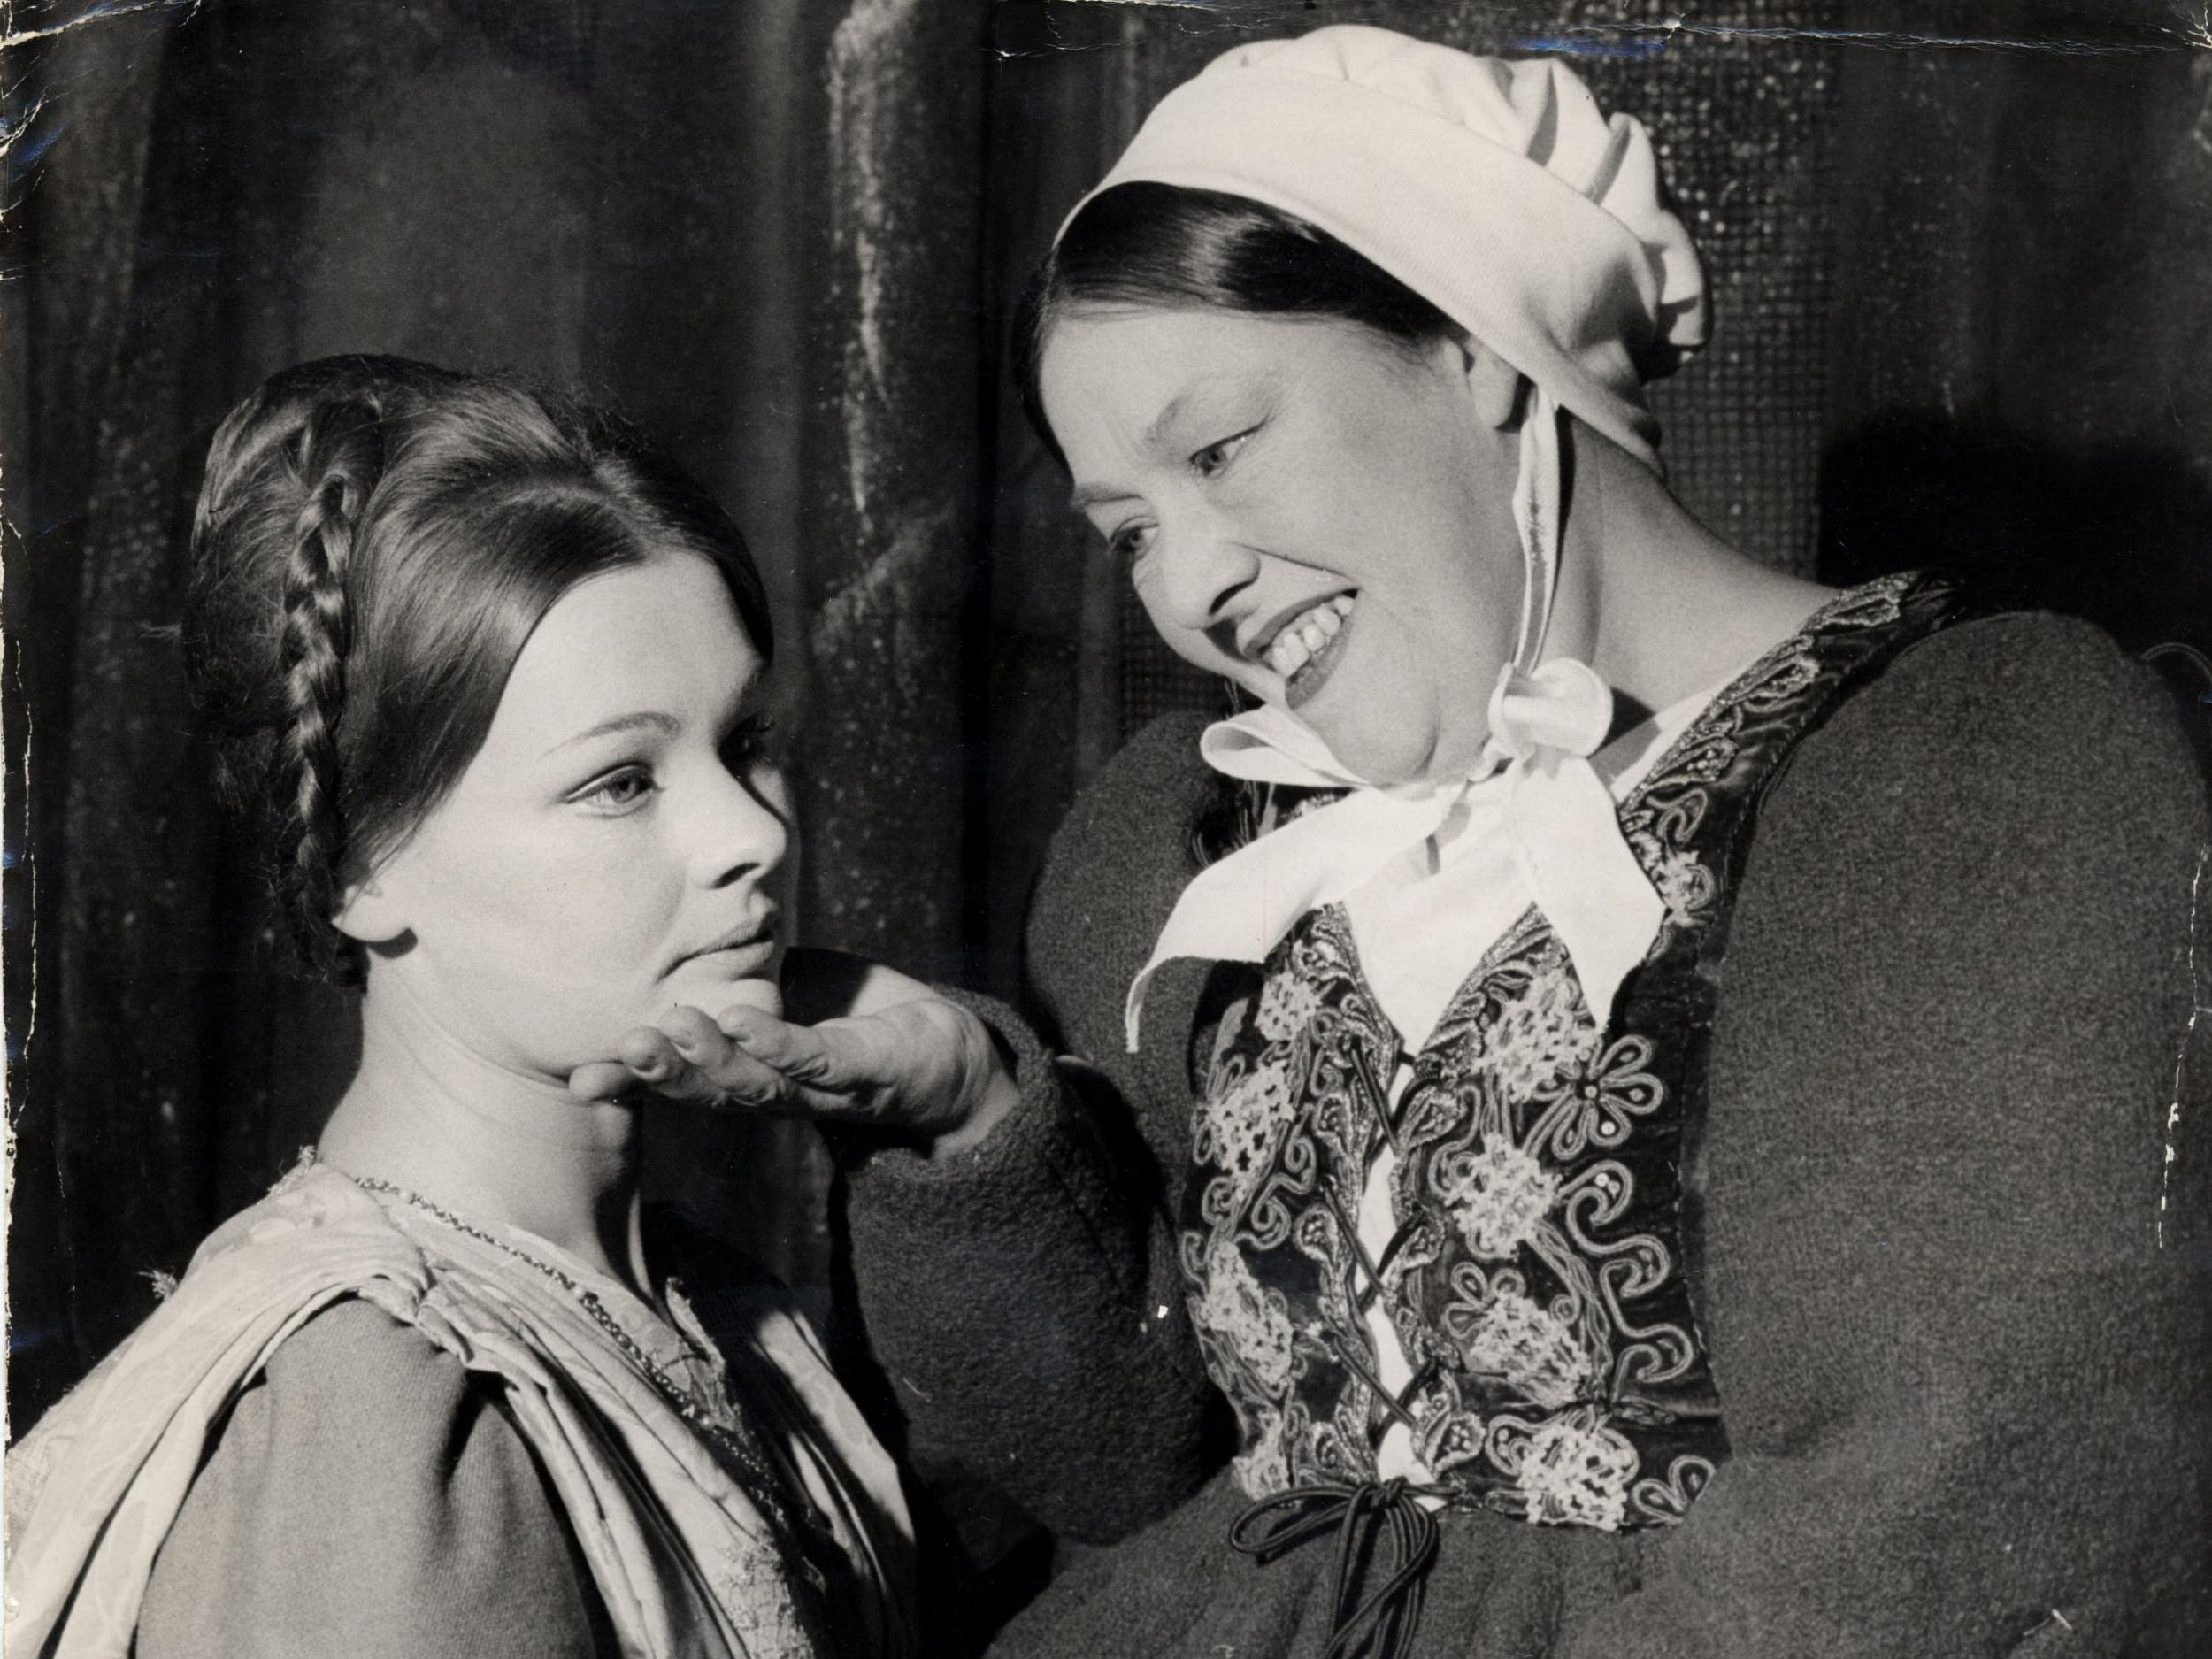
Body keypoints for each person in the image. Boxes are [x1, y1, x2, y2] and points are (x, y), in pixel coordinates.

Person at [612, 25, 2212, 1659]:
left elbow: (1971, 1533)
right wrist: (978, 1130)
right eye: (1130, 533)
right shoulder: (1186, 855)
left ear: (1477, 344)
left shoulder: (1977, 782)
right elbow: (1123, 1486)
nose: (1186, 588)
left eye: (1221, 450)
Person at [4, 356, 944, 1659]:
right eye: (621, 781)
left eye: (743, 745)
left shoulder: (690, 1297)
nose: (753, 835)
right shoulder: (384, 1422)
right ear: (364, 874)